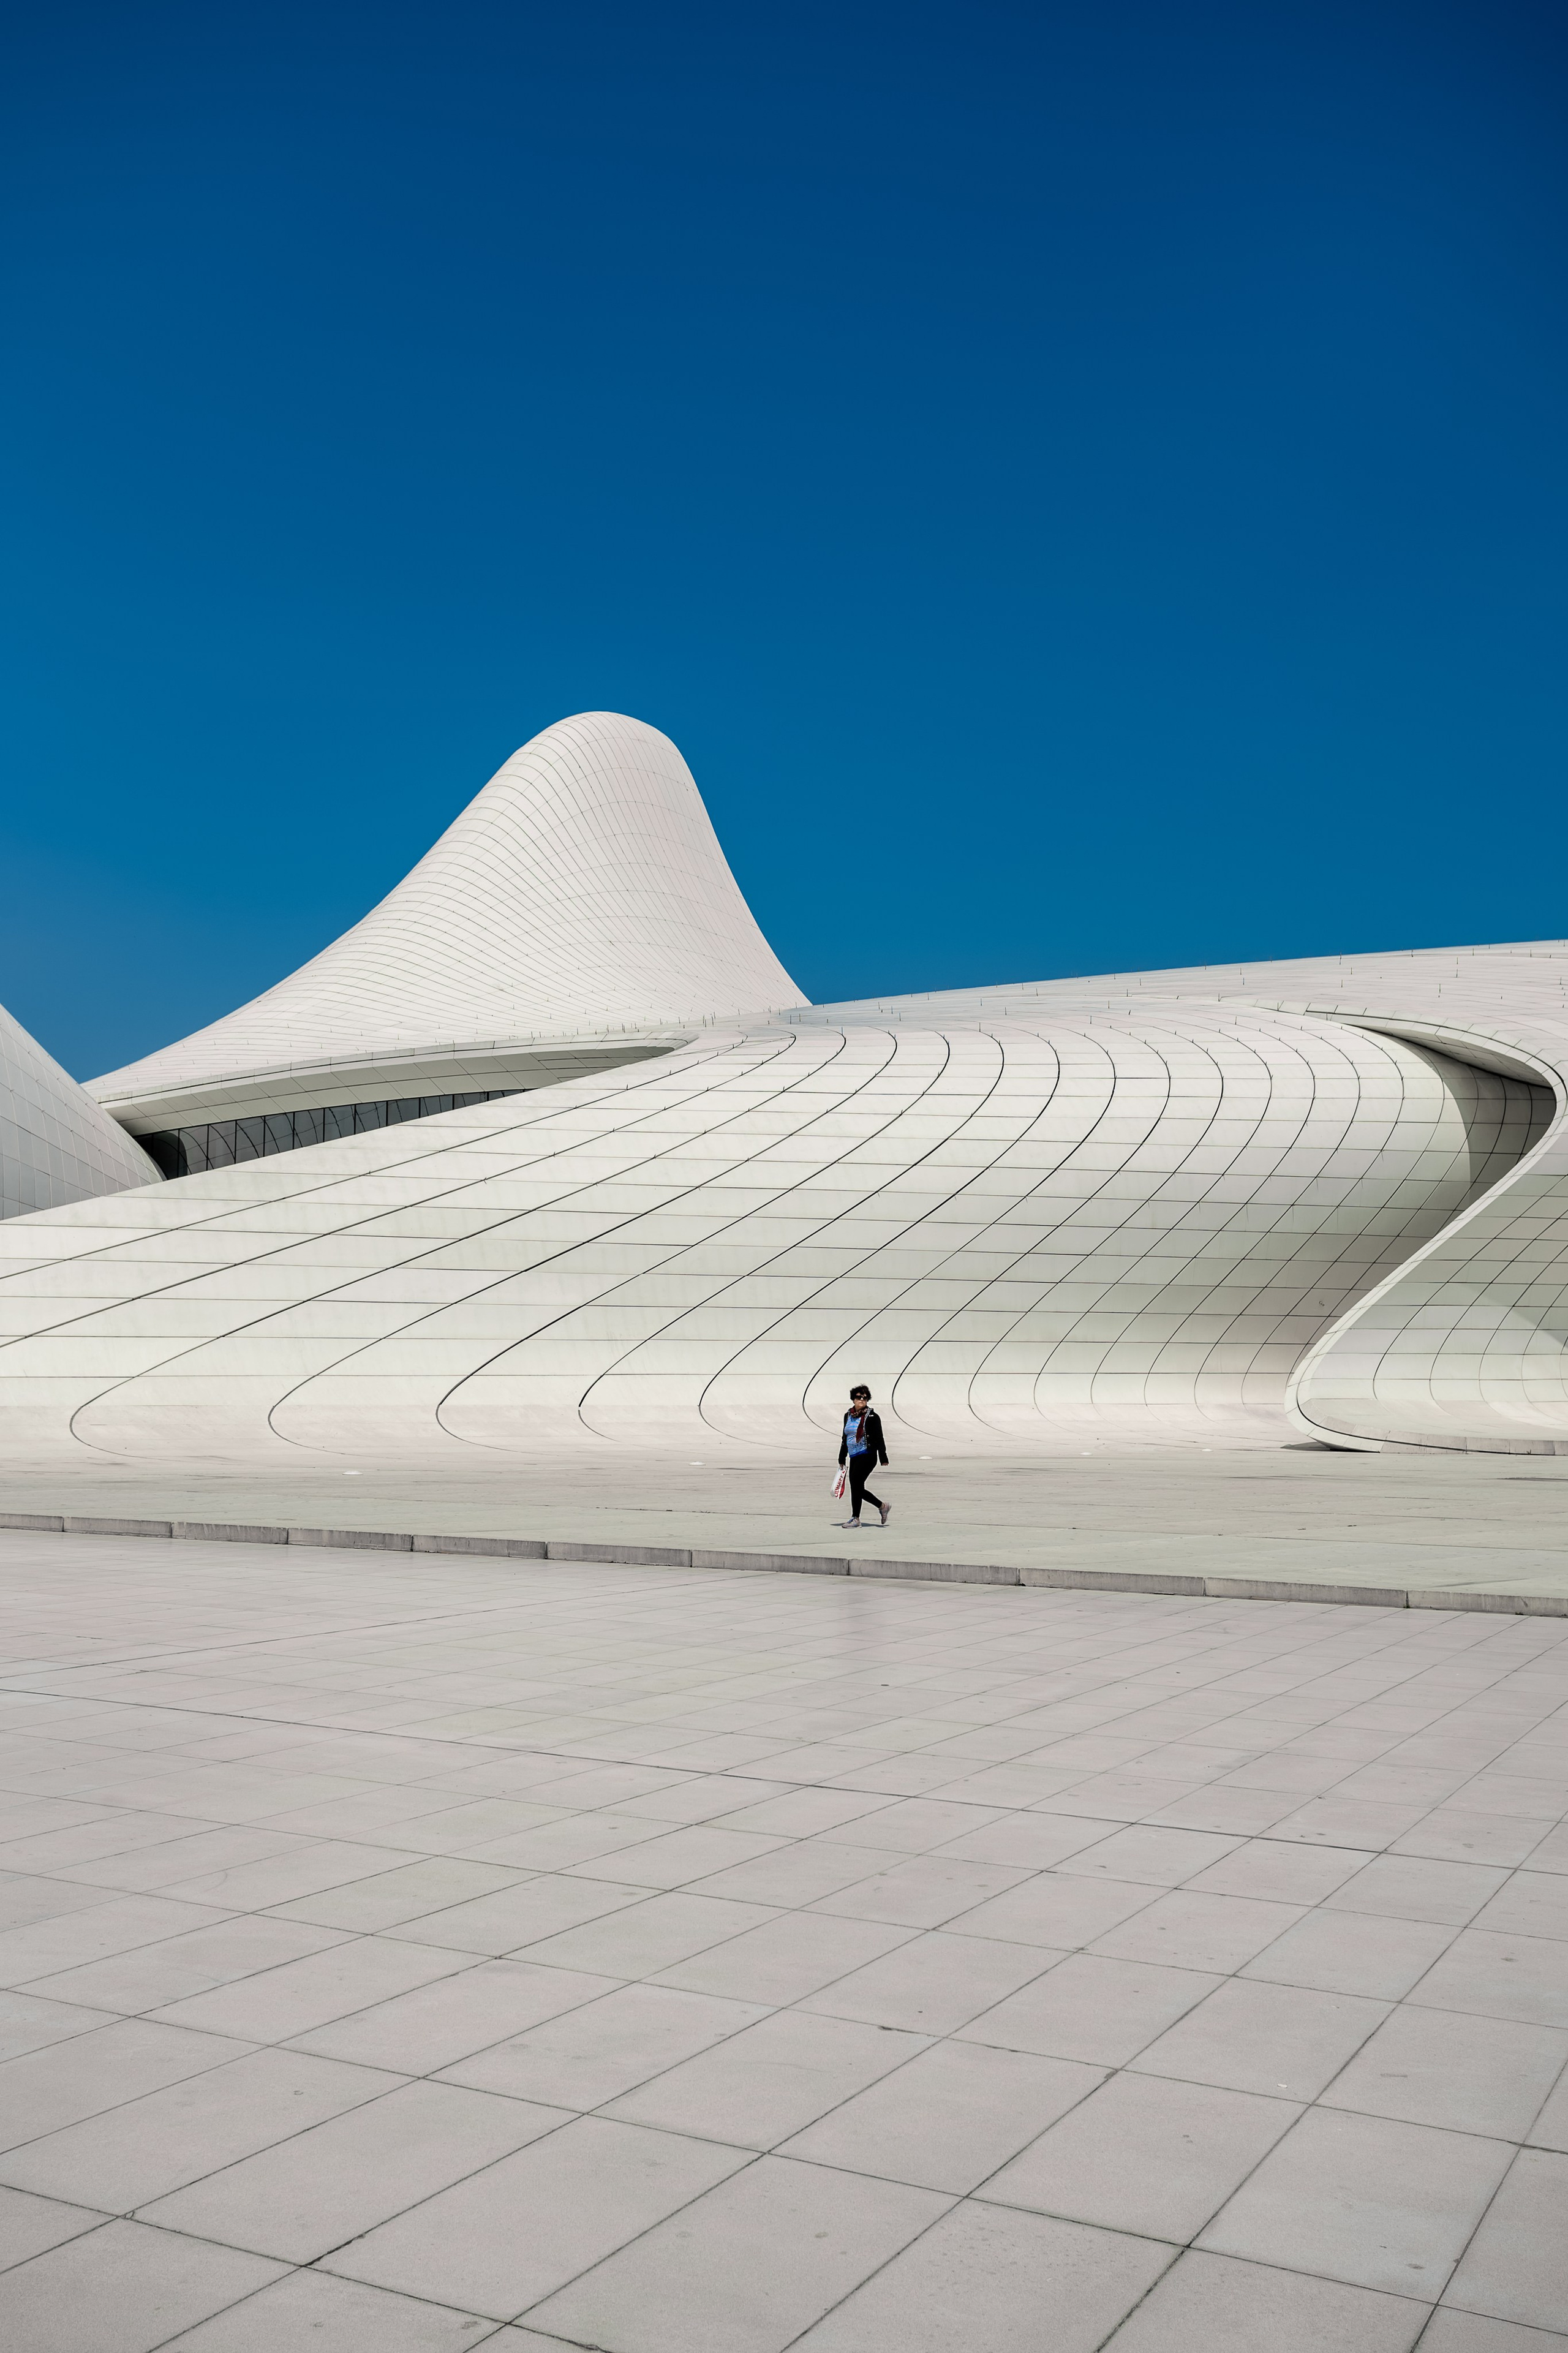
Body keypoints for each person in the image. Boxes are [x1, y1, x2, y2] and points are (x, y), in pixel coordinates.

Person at [837, 1384, 890, 1528]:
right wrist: (842, 1457)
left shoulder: (872, 1417)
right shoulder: (848, 1415)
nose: (862, 1400)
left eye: (865, 1398)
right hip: (854, 1455)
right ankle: (881, 1506)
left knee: (856, 1486)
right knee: (856, 1486)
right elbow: (845, 1437)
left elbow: (880, 1437)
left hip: (868, 1455)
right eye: (859, 1397)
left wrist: (883, 1457)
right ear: (853, 1399)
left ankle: (856, 1518)